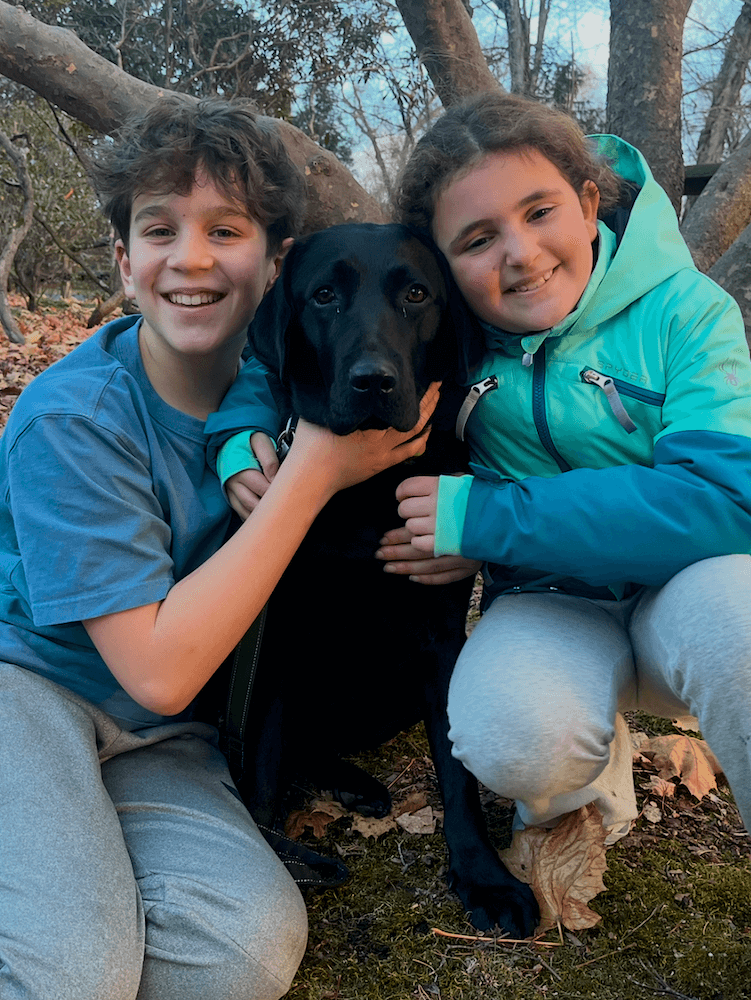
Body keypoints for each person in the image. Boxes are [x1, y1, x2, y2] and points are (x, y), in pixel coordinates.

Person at [0, 95, 438, 1000]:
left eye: (225, 228)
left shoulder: (289, 388)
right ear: (125, 262)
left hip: (163, 740)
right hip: (29, 692)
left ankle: (62, 884)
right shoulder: (74, 420)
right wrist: (313, 473)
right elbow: (157, 668)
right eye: (158, 230)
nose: (190, 257)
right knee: (76, 976)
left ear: (276, 264)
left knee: (239, 957)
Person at [381, 90, 751, 847]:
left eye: (539, 212)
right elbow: (313, 315)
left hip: (693, 594)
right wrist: (238, 429)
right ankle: (580, 792)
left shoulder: (687, 311)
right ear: (441, 264)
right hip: (554, 603)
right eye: (477, 239)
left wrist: (481, 520)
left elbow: (723, 500)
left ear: (589, 205)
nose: (518, 252)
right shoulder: (448, 338)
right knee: (509, 735)